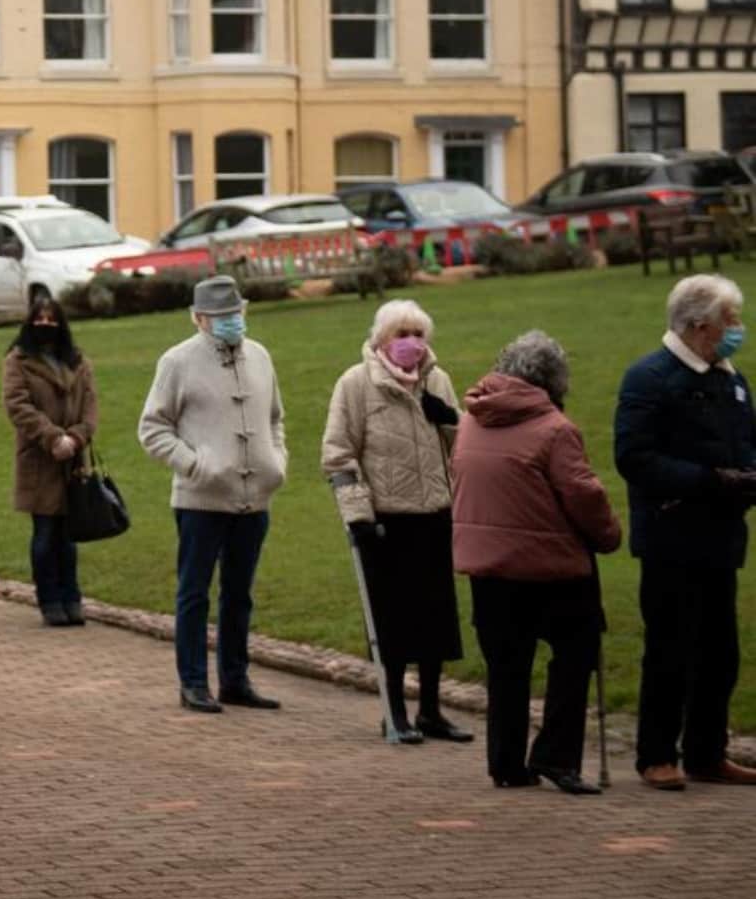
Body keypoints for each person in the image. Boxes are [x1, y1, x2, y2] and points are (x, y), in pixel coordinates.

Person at [452, 332, 624, 794]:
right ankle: (556, 756)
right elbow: (584, 495)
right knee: (576, 654)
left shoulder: (472, 418)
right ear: (553, 380)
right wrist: (609, 536)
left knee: (506, 669)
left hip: (488, 570)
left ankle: (506, 764)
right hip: (551, 569)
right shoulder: (555, 429)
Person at [615, 274, 756, 789]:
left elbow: (747, 441)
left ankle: (706, 752)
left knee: (721, 653)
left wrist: (747, 477)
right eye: (730, 321)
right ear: (700, 326)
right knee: (670, 650)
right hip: (672, 537)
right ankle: (656, 754)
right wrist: (707, 480)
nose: (737, 329)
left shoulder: (731, 380)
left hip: (722, 537)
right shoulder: (648, 379)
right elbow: (633, 457)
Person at [320, 299, 471, 744]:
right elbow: (339, 455)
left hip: (435, 514)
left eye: (418, 335)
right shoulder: (355, 383)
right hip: (386, 521)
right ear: (382, 340)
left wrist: (453, 420)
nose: (412, 344)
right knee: (393, 622)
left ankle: (430, 710)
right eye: (401, 335)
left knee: (436, 618)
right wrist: (358, 516)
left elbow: (461, 447)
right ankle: (395, 712)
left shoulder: (436, 379)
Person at [139, 276, 288, 714]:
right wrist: (195, 465)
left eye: (236, 314)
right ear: (199, 318)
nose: (231, 322)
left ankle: (235, 679)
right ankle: (193, 682)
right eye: (222, 317)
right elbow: (152, 428)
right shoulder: (177, 362)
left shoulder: (260, 356)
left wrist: (276, 462)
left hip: (254, 497)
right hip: (200, 500)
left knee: (239, 593)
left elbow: (276, 418)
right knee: (194, 592)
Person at [3, 296, 99, 627]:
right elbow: (17, 405)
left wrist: (76, 436)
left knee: (68, 536)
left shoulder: (77, 361)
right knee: (45, 534)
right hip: (39, 459)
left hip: (72, 458)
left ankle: (72, 597)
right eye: (39, 318)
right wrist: (52, 436)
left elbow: (90, 404)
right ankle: (50, 600)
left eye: (51, 318)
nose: (46, 323)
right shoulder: (18, 360)